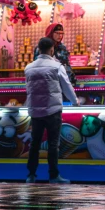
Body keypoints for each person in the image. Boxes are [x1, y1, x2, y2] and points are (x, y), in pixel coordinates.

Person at [25, 36, 78, 184]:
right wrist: (75, 102)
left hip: (35, 111)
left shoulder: (29, 67)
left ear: (38, 49)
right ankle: (54, 176)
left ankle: (31, 175)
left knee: (34, 143)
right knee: (53, 144)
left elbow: (28, 89)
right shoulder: (57, 66)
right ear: (52, 49)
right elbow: (67, 86)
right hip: (52, 111)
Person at [35, 23, 77, 87]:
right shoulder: (42, 47)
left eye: (62, 33)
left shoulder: (62, 47)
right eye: (57, 33)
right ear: (51, 33)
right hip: (49, 84)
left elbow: (66, 65)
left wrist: (71, 80)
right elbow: (38, 67)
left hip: (64, 83)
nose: (60, 36)